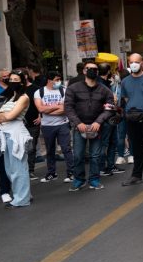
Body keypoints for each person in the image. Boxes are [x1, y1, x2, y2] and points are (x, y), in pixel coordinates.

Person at [65, 62, 115, 191]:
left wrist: (99, 122)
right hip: (78, 127)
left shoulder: (105, 90)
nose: (92, 71)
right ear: (84, 71)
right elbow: (68, 107)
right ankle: (78, 180)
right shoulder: (73, 88)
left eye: (95, 69)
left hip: (97, 127)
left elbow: (109, 109)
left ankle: (94, 179)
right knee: (78, 155)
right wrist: (78, 123)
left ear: (98, 72)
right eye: (89, 69)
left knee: (95, 155)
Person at [0, 69, 32, 208]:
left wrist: (2, 115)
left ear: (22, 81)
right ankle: (23, 194)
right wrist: (2, 115)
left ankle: (22, 199)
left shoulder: (24, 97)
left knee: (18, 168)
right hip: (5, 133)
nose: (13, 82)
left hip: (16, 133)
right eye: (11, 80)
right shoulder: (10, 97)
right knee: (10, 169)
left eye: (16, 80)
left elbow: (9, 117)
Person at [119, 53, 143, 187]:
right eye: (131, 62)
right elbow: (125, 99)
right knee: (136, 148)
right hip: (131, 118)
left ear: (142, 63)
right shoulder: (124, 81)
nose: (133, 64)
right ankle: (136, 175)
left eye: (136, 62)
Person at [34, 71, 74, 184]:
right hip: (47, 126)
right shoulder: (39, 92)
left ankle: (71, 173)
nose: (58, 82)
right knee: (50, 150)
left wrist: (48, 109)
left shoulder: (63, 90)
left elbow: (65, 109)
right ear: (49, 80)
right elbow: (40, 109)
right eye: (56, 79)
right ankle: (51, 173)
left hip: (63, 124)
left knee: (66, 149)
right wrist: (57, 106)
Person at [97, 63, 124, 177]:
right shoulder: (99, 84)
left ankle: (111, 165)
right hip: (104, 117)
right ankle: (102, 167)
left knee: (113, 142)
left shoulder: (108, 84)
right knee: (104, 143)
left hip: (112, 116)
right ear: (108, 72)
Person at [22, 69, 41, 180]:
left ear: (26, 76)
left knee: (31, 147)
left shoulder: (35, 89)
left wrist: (40, 117)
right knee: (21, 148)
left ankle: (30, 171)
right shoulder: (17, 90)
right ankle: (22, 171)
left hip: (33, 122)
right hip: (19, 123)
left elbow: (40, 103)